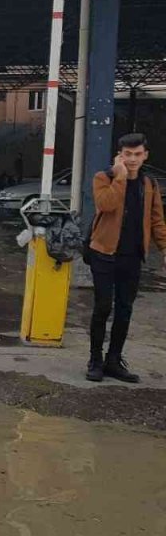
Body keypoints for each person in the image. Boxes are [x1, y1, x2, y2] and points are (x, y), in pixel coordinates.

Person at [86, 133, 166, 383]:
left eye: (137, 154)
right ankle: (95, 360)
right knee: (102, 307)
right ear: (120, 155)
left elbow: (157, 221)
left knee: (124, 310)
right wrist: (119, 176)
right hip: (104, 254)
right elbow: (107, 204)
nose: (132, 159)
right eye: (127, 154)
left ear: (145, 155)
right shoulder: (104, 178)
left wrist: (165, 249)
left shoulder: (149, 185)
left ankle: (113, 360)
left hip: (132, 257)